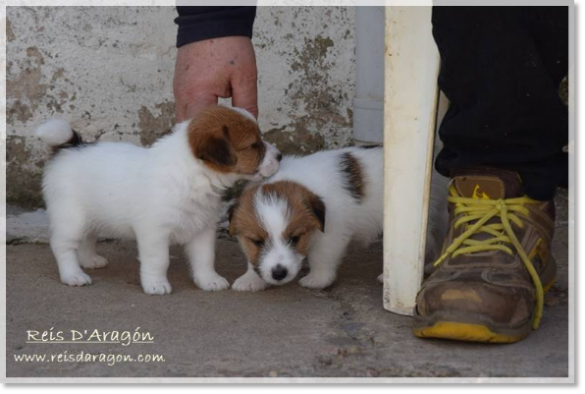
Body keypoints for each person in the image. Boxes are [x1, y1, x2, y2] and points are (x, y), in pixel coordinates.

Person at [173, 6, 568, 343]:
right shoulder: (269, 193)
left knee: (427, 218)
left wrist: (321, 269)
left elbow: (327, 226)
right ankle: (493, 177)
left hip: (375, 180)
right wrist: (213, 21)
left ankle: (498, 192)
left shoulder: (311, 198)